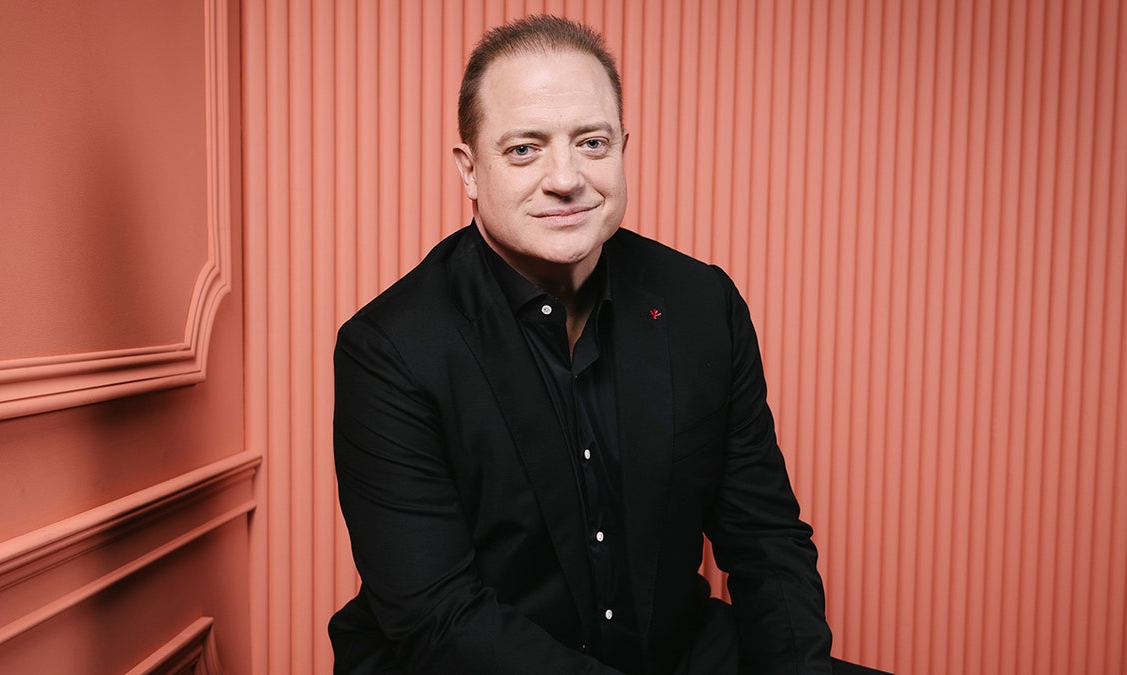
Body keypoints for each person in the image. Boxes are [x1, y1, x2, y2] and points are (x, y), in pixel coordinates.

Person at [330, 14, 886, 675]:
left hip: (673, 652)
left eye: (591, 143)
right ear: (470, 169)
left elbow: (765, 539)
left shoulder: (704, 306)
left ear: (622, 147)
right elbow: (440, 620)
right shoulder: (390, 347)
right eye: (524, 149)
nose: (566, 178)